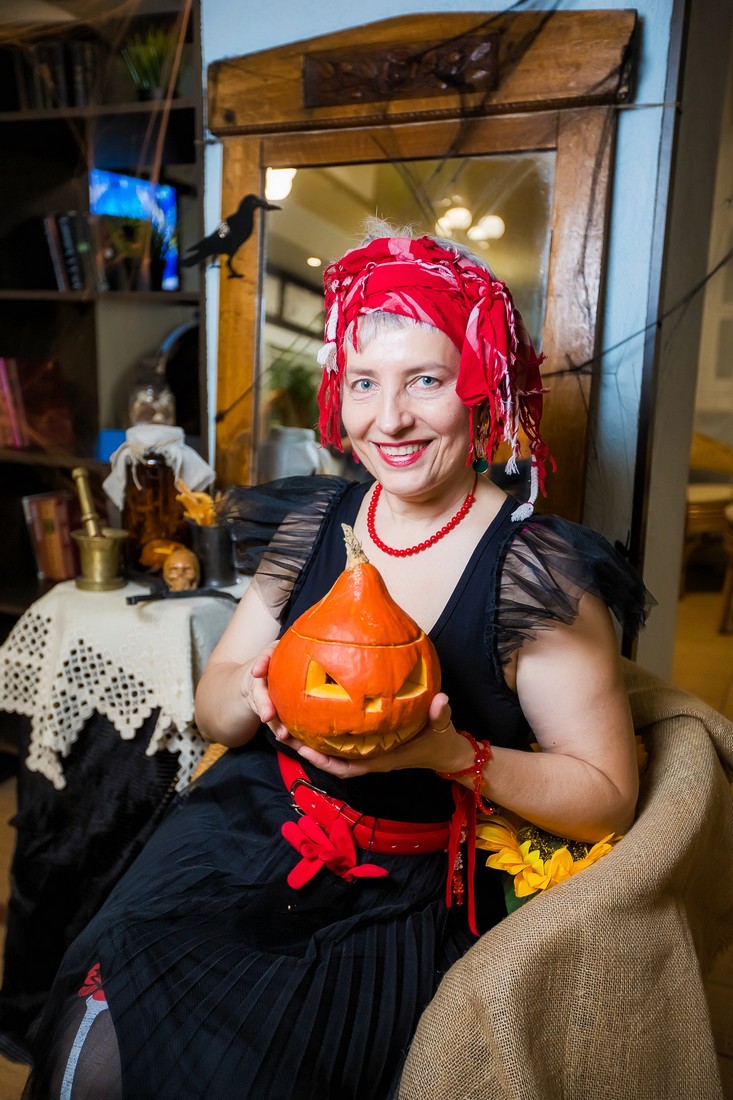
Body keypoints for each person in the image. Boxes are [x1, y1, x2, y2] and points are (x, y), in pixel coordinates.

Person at [22, 222, 651, 1100]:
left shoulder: (531, 573)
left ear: (481, 387)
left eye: (425, 380)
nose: (387, 420)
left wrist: (452, 756)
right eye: (364, 382)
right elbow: (215, 709)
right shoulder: (312, 526)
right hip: (250, 823)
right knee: (97, 1026)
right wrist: (259, 692)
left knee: (239, 1072)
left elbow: (606, 795)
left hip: (401, 884)